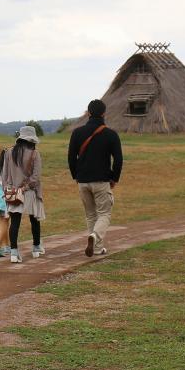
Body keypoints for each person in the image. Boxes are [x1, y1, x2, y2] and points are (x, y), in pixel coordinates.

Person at [68, 99, 123, 257]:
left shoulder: (77, 133)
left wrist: (76, 176)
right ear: (104, 113)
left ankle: (98, 248)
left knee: (91, 215)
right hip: (102, 180)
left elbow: (71, 157)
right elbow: (118, 159)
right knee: (104, 213)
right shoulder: (111, 134)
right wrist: (114, 178)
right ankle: (95, 236)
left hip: (83, 180)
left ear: (88, 113)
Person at [2, 125, 45, 263]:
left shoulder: (9, 152)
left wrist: (8, 189)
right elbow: (36, 176)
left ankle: (14, 253)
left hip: (13, 192)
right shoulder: (34, 153)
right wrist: (26, 187)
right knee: (34, 220)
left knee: (14, 222)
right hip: (30, 192)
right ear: (32, 139)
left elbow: (4, 175)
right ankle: (36, 248)